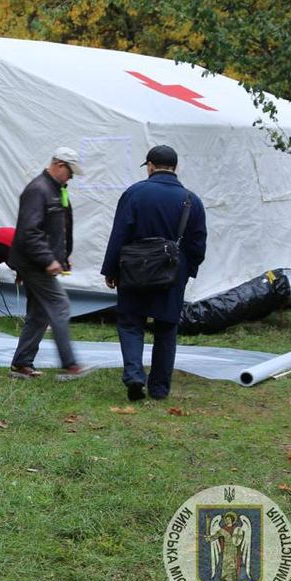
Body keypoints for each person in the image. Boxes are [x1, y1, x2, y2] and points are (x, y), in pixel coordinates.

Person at [100, 144, 207, 402]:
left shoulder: (134, 193)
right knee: (166, 329)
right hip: (172, 274)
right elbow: (198, 245)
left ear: (149, 166)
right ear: (176, 168)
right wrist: (184, 272)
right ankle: (159, 389)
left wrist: (111, 269)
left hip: (134, 270)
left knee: (130, 324)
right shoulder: (192, 200)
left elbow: (119, 234)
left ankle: (135, 376)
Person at [7, 147, 92, 380]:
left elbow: (56, 229)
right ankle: (71, 365)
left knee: (39, 312)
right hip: (33, 263)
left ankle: (21, 364)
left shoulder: (55, 190)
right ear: (59, 165)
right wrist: (48, 260)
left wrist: (62, 257)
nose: (72, 177)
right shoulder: (38, 190)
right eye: (70, 172)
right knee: (60, 306)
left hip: (39, 261)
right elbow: (29, 232)